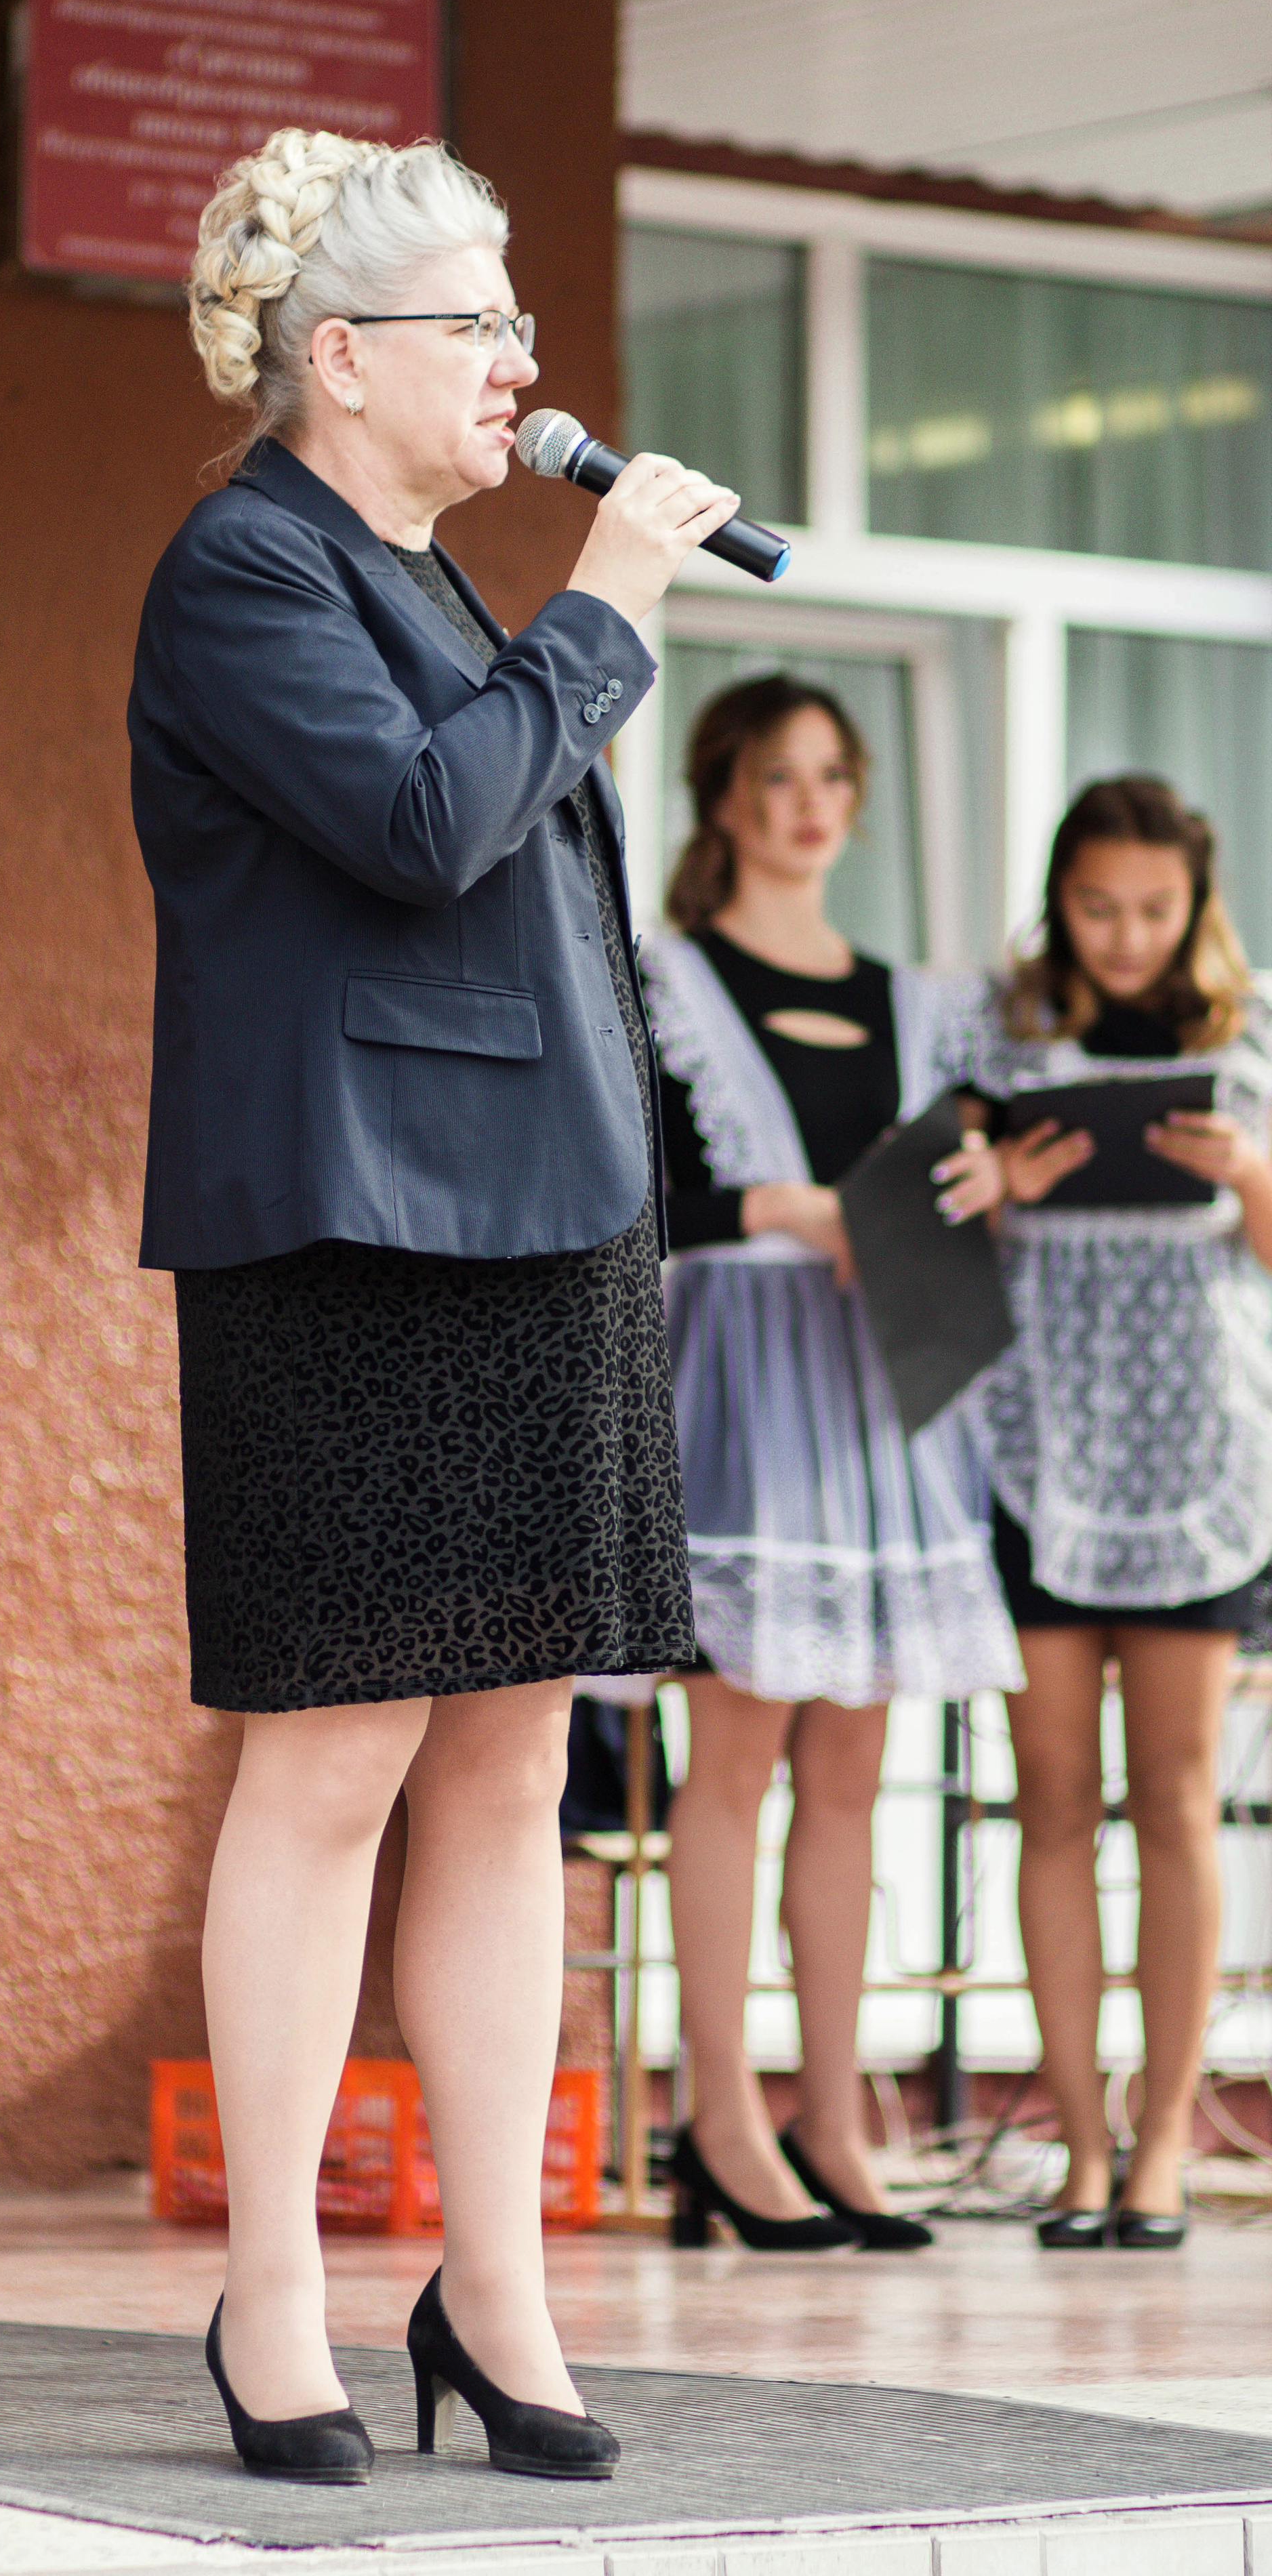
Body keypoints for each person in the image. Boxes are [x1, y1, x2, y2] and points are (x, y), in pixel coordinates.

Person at [129, 127, 735, 2484]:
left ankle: (493, 2287)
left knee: (509, 1771)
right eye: (485, 323)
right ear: (344, 356)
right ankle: (273, 2287)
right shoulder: (246, 569)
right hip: (357, 1228)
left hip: (551, 1231)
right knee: (331, 1761)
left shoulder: (444, 582)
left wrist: (563, 625)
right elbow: (414, 828)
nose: (526, 366)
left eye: (525, 327)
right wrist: (602, 611)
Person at [639, 673, 1023, 2253]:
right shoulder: (662, 975)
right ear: (720, 795)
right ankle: (717, 2116)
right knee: (726, 1761)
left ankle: (830, 2118)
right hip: (740, 1373)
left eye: (828, 778)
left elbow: (951, 1187)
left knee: (853, 1769)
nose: (806, 804)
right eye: (775, 775)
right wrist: (794, 1213)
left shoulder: (923, 1003)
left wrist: (986, 1180)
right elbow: (646, 1187)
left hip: (878, 1383)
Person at [955, 776, 1272, 2249]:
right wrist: (998, 1188)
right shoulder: (999, 1035)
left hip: (1199, 1463)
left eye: (1153, 908)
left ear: (1194, 905)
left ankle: (1159, 2152)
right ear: (1056, 897)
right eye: (1097, 905)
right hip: (1038, 1452)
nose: (1126, 934)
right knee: (1052, 1801)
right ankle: (1075, 2149)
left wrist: (1251, 1177)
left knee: (1175, 1801)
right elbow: (929, 1239)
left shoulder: (1249, 1033)